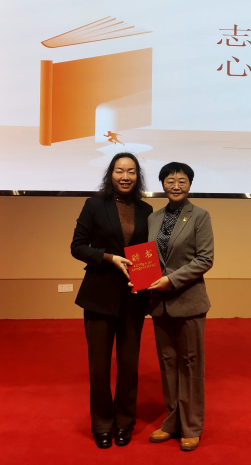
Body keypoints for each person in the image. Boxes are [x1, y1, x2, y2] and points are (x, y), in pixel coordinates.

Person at [70, 152, 153, 449]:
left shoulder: (146, 209)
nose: (125, 176)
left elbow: (146, 252)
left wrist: (145, 282)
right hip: (99, 296)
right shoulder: (94, 205)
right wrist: (107, 257)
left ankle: (124, 422)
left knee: (129, 365)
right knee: (99, 367)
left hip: (133, 296)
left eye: (131, 171)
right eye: (119, 170)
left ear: (138, 176)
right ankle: (102, 424)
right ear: (111, 174)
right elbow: (77, 247)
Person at [144, 162, 214, 451]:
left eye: (182, 180)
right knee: (168, 362)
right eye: (170, 180)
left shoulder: (200, 216)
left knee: (190, 363)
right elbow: (147, 257)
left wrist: (170, 280)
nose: (176, 185)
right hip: (159, 304)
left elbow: (205, 259)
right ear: (162, 184)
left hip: (188, 300)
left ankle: (191, 425)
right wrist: (142, 278)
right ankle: (172, 420)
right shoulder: (153, 217)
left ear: (190, 184)